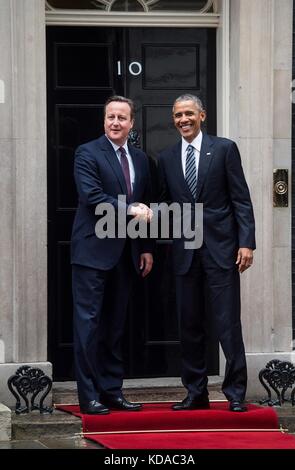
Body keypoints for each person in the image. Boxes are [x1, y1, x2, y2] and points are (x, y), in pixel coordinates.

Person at [157, 94, 255, 412]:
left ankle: (236, 393)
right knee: (190, 325)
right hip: (185, 253)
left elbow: (240, 199)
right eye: (177, 115)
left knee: (228, 325)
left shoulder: (224, 149)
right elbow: (164, 205)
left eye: (188, 113)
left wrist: (246, 242)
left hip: (221, 250)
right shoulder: (168, 157)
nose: (183, 119)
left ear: (202, 115)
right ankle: (195, 392)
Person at [71, 96, 153, 415]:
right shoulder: (87, 153)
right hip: (92, 252)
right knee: (88, 327)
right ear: (104, 121)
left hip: (126, 254)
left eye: (121, 118)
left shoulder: (142, 160)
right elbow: (92, 197)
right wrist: (130, 208)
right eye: (110, 117)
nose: (115, 122)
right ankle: (89, 396)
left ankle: (112, 391)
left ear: (132, 123)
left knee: (115, 327)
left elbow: (145, 204)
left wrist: (146, 247)